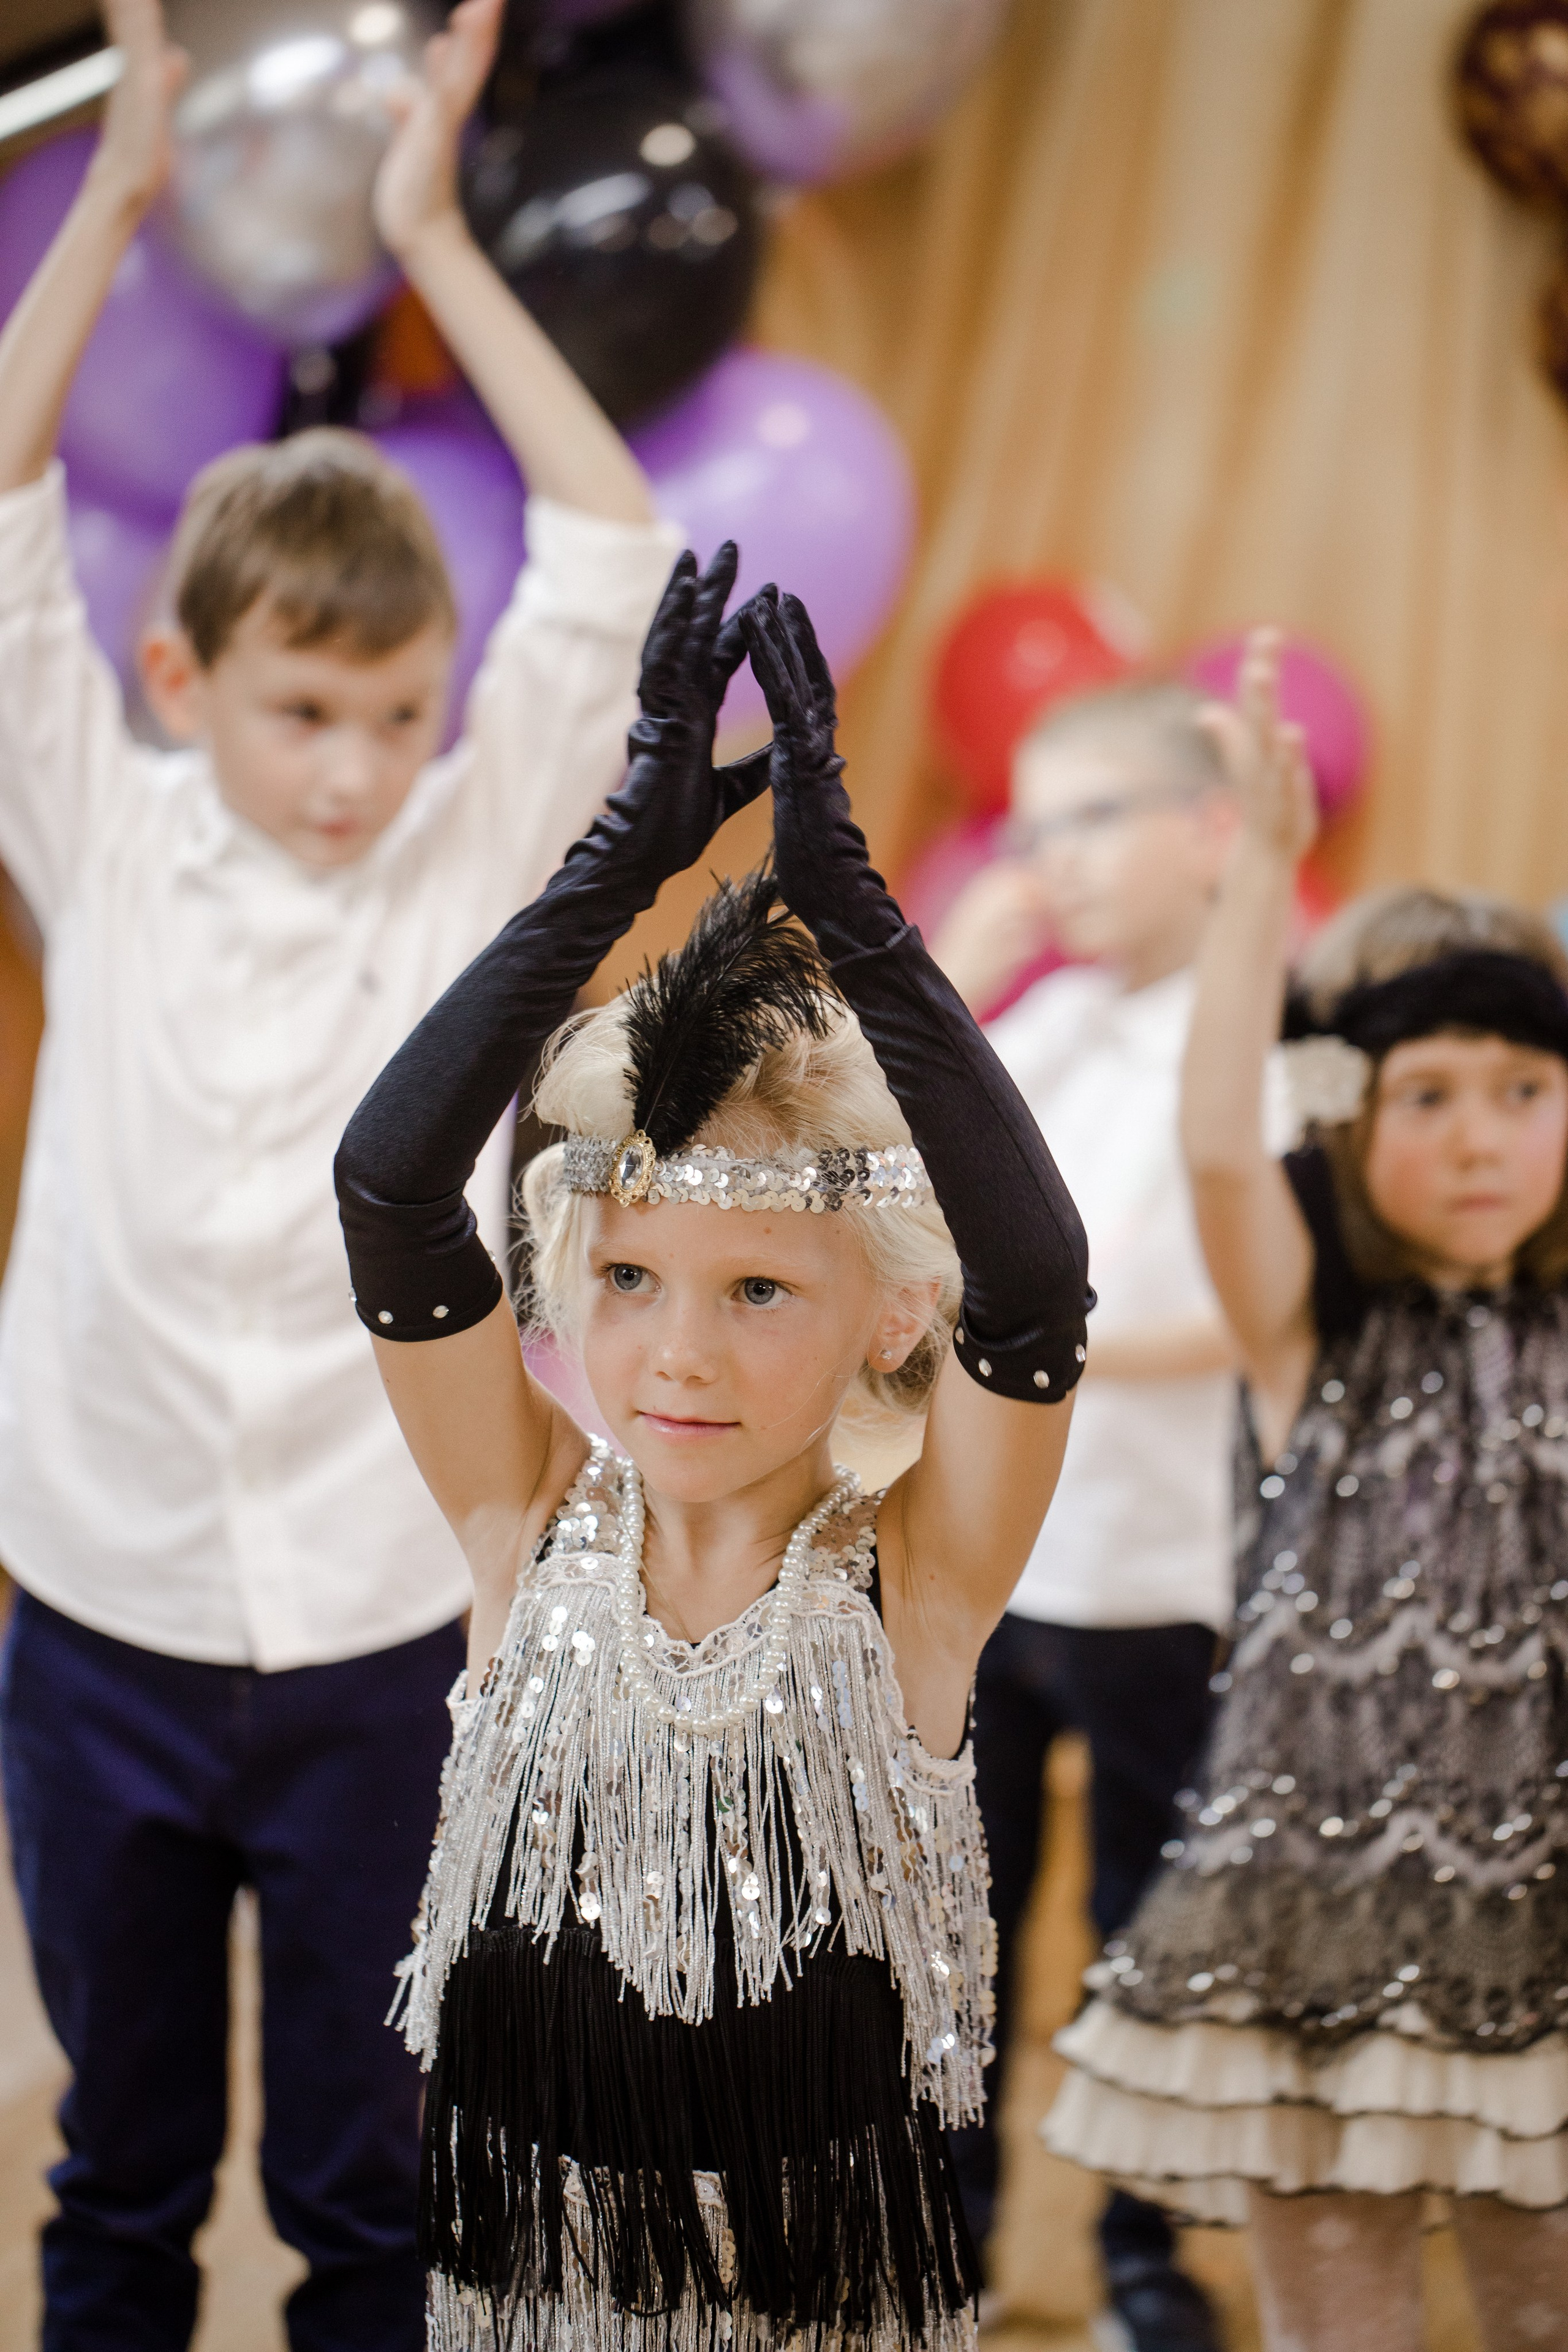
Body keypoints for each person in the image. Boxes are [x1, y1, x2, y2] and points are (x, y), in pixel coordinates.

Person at [0, 1, 681, 2343]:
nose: (357, 767)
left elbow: (608, 544)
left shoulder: (469, 859)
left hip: (391, 1626)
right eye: (305, 710)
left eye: (401, 716)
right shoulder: (100, 823)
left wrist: (431, 240)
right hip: (100, 1612)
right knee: (118, 2173)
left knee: (372, 2179)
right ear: (182, 684)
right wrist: (107, 197)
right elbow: (1, 510)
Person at [331, 579, 1095, 2348]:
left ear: (889, 1317)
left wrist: (868, 931)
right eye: (626, 1281)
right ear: (564, 1284)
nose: (677, 1352)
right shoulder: (517, 1522)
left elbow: (1039, 1288)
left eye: (758, 1290)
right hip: (540, 2300)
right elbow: (389, 1189)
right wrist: (609, 869)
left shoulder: (924, 1579)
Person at [1046, 631, 1568, 2351]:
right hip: (1309, 1933)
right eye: (1430, 1096)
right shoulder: (1308, 1332)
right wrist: (1261, 867)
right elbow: (1214, 1147)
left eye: (1524, 1092)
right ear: (1348, 1120)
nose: (1483, 1136)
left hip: (1539, 1926)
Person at [934, 682, 1238, 2352]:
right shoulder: (1029, 1036)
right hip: (991, 1573)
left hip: (1166, 1579)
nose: (1060, 865)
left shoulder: (1269, 1044)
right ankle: (951, 2239)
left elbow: (1260, 1313)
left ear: (1211, 831)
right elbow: (865, 1185)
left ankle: (1141, 2255)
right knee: (952, 1933)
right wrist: (957, 977)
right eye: (1034, 828)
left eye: (1096, 819)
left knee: (1146, 1945)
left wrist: (1034, 1334)